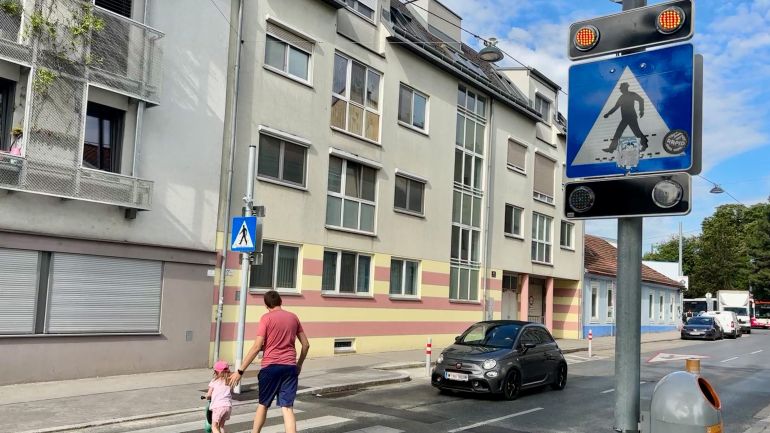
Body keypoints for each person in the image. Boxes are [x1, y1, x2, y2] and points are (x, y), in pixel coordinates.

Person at [229, 290, 310, 433]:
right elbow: (306, 345)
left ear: (266, 305)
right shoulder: (293, 317)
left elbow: (256, 347)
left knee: (263, 405)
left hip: (270, 367)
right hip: (290, 367)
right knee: (287, 408)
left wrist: (240, 371)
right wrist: (299, 365)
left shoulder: (266, 318)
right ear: (281, 302)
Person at [602, 82, 648, 153]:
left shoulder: (632, 94)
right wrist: (608, 114)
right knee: (620, 132)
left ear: (625, 88)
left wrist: (641, 110)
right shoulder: (622, 97)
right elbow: (616, 107)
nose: (620, 90)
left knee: (636, 132)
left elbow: (641, 100)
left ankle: (644, 144)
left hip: (631, 117)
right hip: (625, 118)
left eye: (621, 88)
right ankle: (611, 148)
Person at [206, 360, 233, 433]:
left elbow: (209, 395)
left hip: (218, 407)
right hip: (228, 406)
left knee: (214, 427)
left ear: (216, 372)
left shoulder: (214, 381)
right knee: (221, 426)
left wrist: (207, 396)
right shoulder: (229, 381)